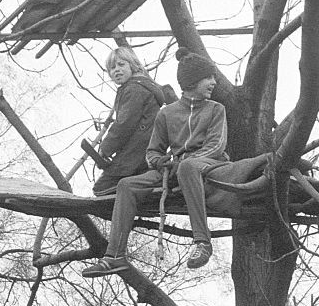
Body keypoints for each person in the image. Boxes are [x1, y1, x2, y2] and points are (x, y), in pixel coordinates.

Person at [82, 47, 228, 276]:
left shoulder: (216, 109)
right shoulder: (167, 113)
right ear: (192, 81)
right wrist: (161, 163)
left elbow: (216, 146)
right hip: (175, 169)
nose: (213, 82)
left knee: (188, 167)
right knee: (126, 185)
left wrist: (184, 162)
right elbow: (153, 152)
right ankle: (115, 256)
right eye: (208, 77)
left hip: (210, 166)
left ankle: (202, 242)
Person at [92, 47, 169, 196]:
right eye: (112, 68)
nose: (117, 70)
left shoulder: (134, 89)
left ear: (132, 66)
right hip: (147, 149)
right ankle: (144, 184)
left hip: (137, 149)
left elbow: (124, 124)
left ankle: (143, 187)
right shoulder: (140, 86)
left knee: (101, 188)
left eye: (121, 65)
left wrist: (106, 148)